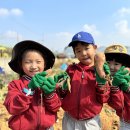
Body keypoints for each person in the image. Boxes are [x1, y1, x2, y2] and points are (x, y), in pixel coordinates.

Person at [54, 31, 110, 130]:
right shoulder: (71, 70)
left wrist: (101, 82)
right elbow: (63, 94)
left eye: (87, 48)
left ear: (95, 48)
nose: (83, 53)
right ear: (75, 53)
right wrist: (61, 88)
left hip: (90, 121)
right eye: (78, 51)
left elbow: (104, 99)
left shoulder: (101, 71)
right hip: (69, 119)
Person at [4, 40, 61, 130]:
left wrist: (50, 94)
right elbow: (12, 108)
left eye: (38, 62)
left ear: (44, 64)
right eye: (28, 62)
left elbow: (55, 108)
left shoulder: (48, 83)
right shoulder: (15, 85)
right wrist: (29, 88)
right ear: (21, 64)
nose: (34, 66)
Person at [104, 44, 130, 130]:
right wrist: (115, 87)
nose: (111, 67)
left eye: (116, 64)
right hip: (125, 122)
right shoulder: (107, 82)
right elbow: (118, 105)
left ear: (124, 65)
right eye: (108, 63)